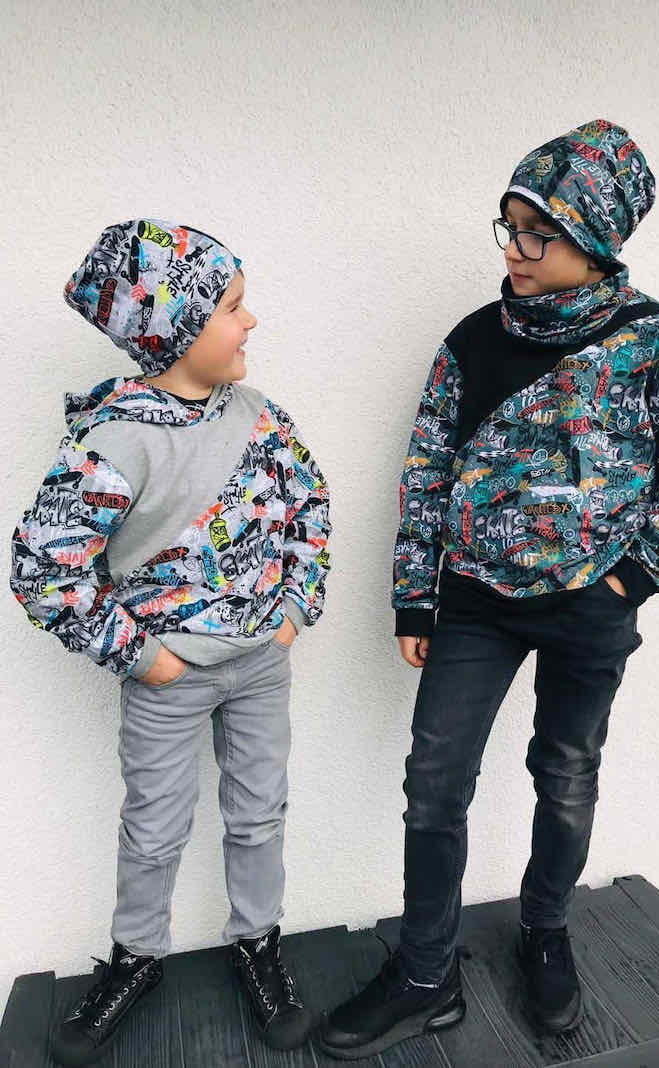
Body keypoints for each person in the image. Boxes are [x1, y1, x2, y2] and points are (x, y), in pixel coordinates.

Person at [319, 118, 659, 1058]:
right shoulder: (472, 340)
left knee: (566, 774)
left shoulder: (658, 345)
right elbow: (427, 470)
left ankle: (546, 931)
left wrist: (629, 580)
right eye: (509, 227)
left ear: (596, 238)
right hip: (474, 604)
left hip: (592, 608)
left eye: (538, 234)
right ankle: (426, 972)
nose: (514, 249)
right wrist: (415, 597)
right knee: (434, 781)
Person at [9, 219, 332, 1064]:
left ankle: (257, 944)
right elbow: (44, 569)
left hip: (259, 665)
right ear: (176, 328)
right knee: (152, 827)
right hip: (169, 678)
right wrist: (143, 657)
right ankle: (137, 957)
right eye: (232, 307)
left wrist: (295, 608)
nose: (251, 321)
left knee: (259, 814)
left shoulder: (262, 420)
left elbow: (310, 507)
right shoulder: (115, 440)